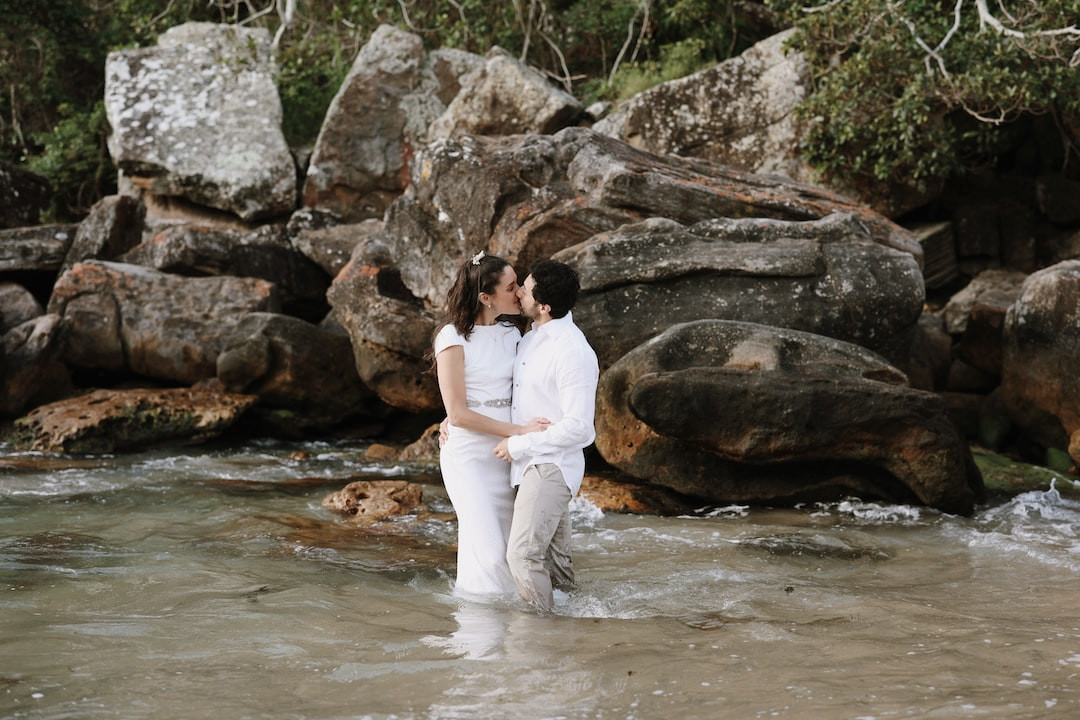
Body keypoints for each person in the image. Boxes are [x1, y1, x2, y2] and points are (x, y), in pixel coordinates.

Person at [432, 251, 549, 597]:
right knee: (487, 546)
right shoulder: (451, 337)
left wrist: (520, 438)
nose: (520, 293)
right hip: (469, 454)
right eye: (511, 286)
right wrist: (520, 432)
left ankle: (502, 632)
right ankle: (482, 623)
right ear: (485, 297)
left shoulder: (513, 334)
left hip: (507, 455)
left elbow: (519, 391)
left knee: (510, 546)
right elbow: (458, 414)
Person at [494, 259, 599, 612]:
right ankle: (570, 634)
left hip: (551, 465)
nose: (518, 291)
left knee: (522, 554)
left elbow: (580, 427)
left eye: (525, 287)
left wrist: (520, 443)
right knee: (556, 565)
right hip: (530, 463)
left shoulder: (571, 351)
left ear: (544, 306)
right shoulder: (531, 338)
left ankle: (542, 632)